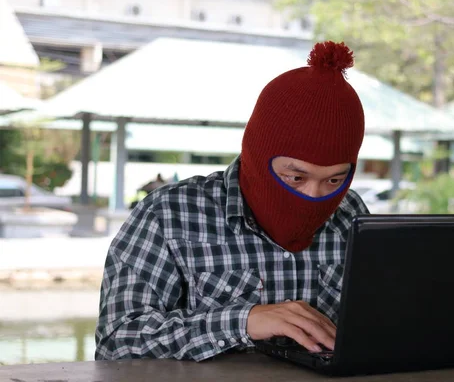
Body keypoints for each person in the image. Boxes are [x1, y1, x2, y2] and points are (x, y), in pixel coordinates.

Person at [95, 41, 369, 361]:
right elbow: (116, 342)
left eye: (334, 180)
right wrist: (243, 321)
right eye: (295, 177)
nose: (313, 196)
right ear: (258, 155)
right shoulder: (168, 216)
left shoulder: (351, 214)